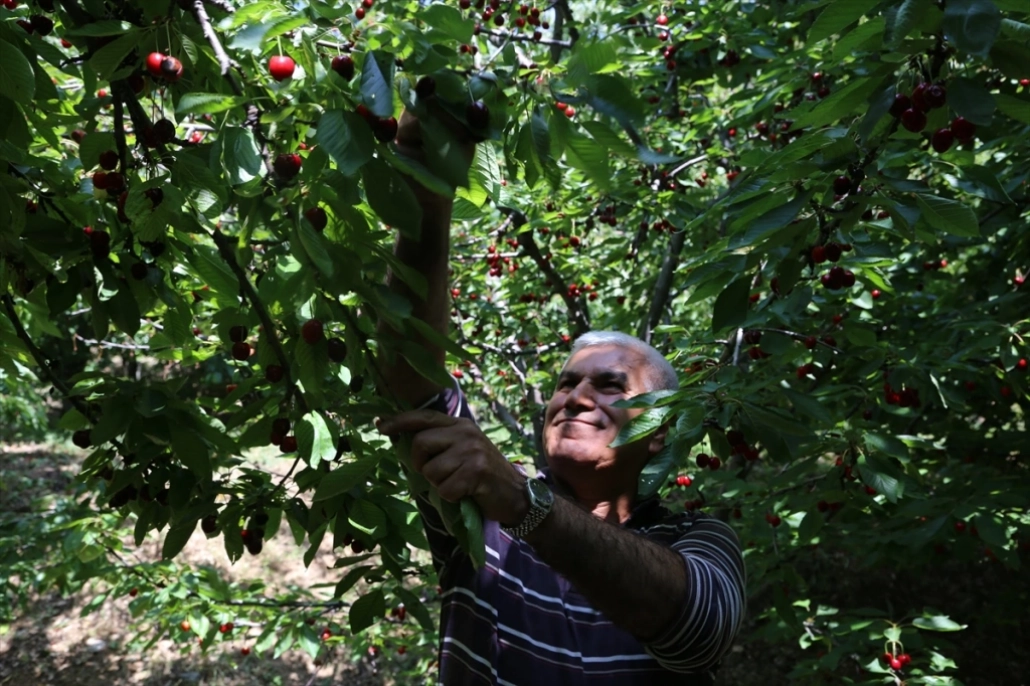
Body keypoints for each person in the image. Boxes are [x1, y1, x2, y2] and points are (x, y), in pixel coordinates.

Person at [375, 109, 746, 685]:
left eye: (610, 386)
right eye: (565, 384)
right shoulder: (482, 511)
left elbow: (693, 626)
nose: (574, 397)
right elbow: (410, 374)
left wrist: (525, 506)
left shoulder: (698, 540)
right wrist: (429, 194)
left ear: (659, 435)